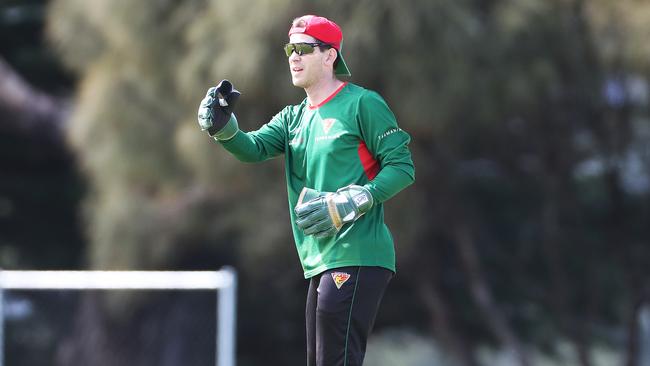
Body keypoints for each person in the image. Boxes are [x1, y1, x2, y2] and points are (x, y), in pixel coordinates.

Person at [197, 14, 415, 366]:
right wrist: (224, 130)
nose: (293, 57)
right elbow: (251, 148)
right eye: (289, 49)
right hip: (318, 259)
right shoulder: (292, 118)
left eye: (303, 49)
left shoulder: (362, 104)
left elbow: (402, 167)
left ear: (330, 56)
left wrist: (359, 198)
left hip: (358, 252)